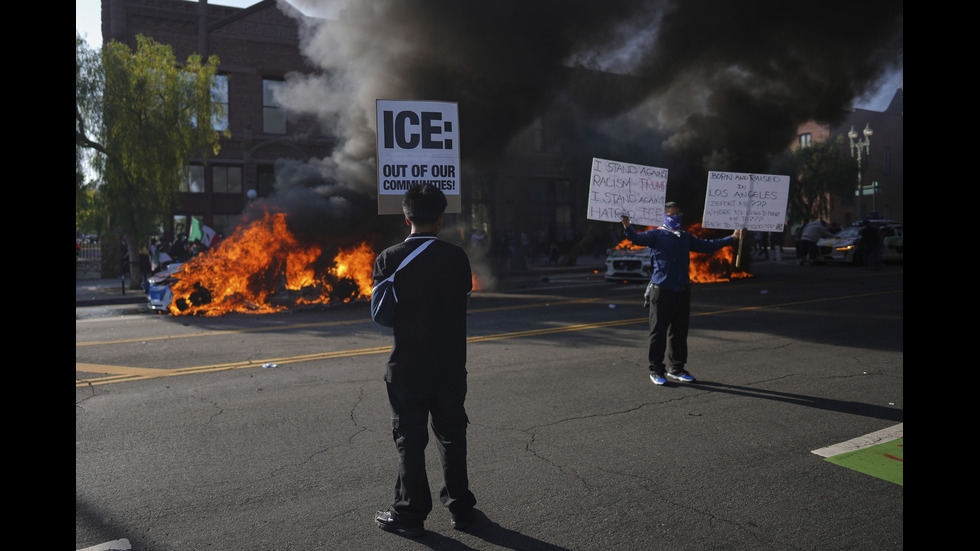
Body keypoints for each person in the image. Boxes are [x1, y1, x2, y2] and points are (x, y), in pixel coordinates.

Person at [372, 184, 477, 538]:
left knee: (410, 440)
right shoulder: (458, 257)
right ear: (441, 219)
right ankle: (461, 510)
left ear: (406, 217)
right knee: (452, 436)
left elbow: (381, 317)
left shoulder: (389, 259)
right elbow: (460, 301)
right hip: (450, 364)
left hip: (409, 368)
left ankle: (410, 515)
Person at [620, 203, 742, 385]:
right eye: (671, 214)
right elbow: (637, 239)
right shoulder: (656, 234)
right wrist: (627, 225)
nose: (675, 217)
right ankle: (656, 370)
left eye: (678, 214)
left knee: (679, 332)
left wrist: (732, 238)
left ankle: (677, 368)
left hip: (682, 290)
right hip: (662, 290)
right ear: (664, 215)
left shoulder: (685, 236)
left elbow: (708, 246)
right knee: (658, 332)